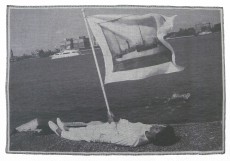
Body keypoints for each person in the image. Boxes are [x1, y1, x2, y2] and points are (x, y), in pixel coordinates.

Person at [48, 118, 179, 147]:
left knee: (89, 132)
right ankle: (67, 126)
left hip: (105, 133)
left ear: (155, 136)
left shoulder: (135, 140)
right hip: (113, 125)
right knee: (95, 123)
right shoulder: (149, 128)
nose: (156, 125)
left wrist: (111, 124)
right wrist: (115, 119)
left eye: (157, 128)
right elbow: (130, 124)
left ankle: (63, 132)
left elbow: (111, 138)